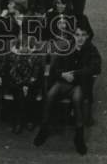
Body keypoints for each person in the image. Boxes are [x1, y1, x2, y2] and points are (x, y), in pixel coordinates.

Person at [34, 22, 101, 155]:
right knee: (50, 94)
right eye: (77, 35)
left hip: (79, 84)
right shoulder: (67, 47)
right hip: (65, 81)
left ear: (87, 36)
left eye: (83, 35)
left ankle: (79, 136)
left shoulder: (91, 50)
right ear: (73, 36)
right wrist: (62, 74)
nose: (80, 38)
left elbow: (96, 68)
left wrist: (75, 74)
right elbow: (54, 67)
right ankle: (44, 128)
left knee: (77, 100)